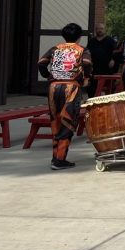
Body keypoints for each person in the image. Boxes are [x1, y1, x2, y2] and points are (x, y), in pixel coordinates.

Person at [37, 23, 93, 170]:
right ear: (79, 37)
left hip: (53, 86)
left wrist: (47, 75)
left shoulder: (56, 49)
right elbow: (87, 63)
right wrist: (87, 77)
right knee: (68, 120)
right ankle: (59, 160)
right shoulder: (82, 50)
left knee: (55, 119)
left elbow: (41, 63)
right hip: (71, 86)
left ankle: (55, 157)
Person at [86, 23, 116, 98]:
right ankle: (92, 104)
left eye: (101, 29)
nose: (100, 30)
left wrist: (113, 59)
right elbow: (87, 53)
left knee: (109, 88)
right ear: (95, 30)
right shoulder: (92, 41)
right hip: (94, 68)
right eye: (98, 29)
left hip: (107, 69)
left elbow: (116, 52)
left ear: (105, 30)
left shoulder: (110, 41)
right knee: (92, 89)